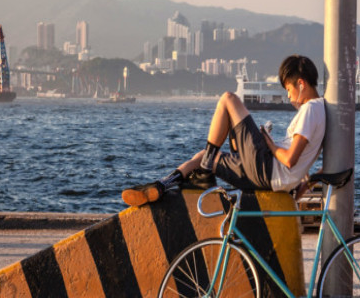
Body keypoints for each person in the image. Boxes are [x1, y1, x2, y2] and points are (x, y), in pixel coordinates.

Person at [122, 55, 326, 206]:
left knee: (228, 99)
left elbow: (290, 159)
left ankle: (204, 169)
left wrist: (269, 143)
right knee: (202, 157)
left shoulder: (311, 109)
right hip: (269, 177)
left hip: (267, 169)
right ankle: (162, 185)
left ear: (301, 83)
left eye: (289, 89)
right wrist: (295, 194)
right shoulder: (320, 111)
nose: (289, 97)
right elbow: (305, 165)